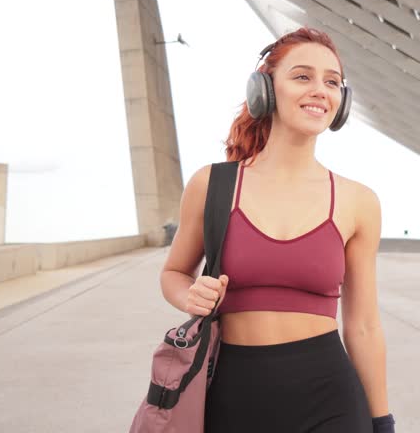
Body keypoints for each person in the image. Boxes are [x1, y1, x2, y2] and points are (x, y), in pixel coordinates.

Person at [159, 27, 395, 432]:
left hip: (332, 399)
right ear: (264, 91)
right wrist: (190, 296)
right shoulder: (212, 185)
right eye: (302, 76)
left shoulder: (359, 202)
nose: (320, 89)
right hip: (232, 397)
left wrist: (382, 421)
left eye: (333, 82)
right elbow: (173, 274)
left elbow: (363, 325)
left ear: (342, 101)